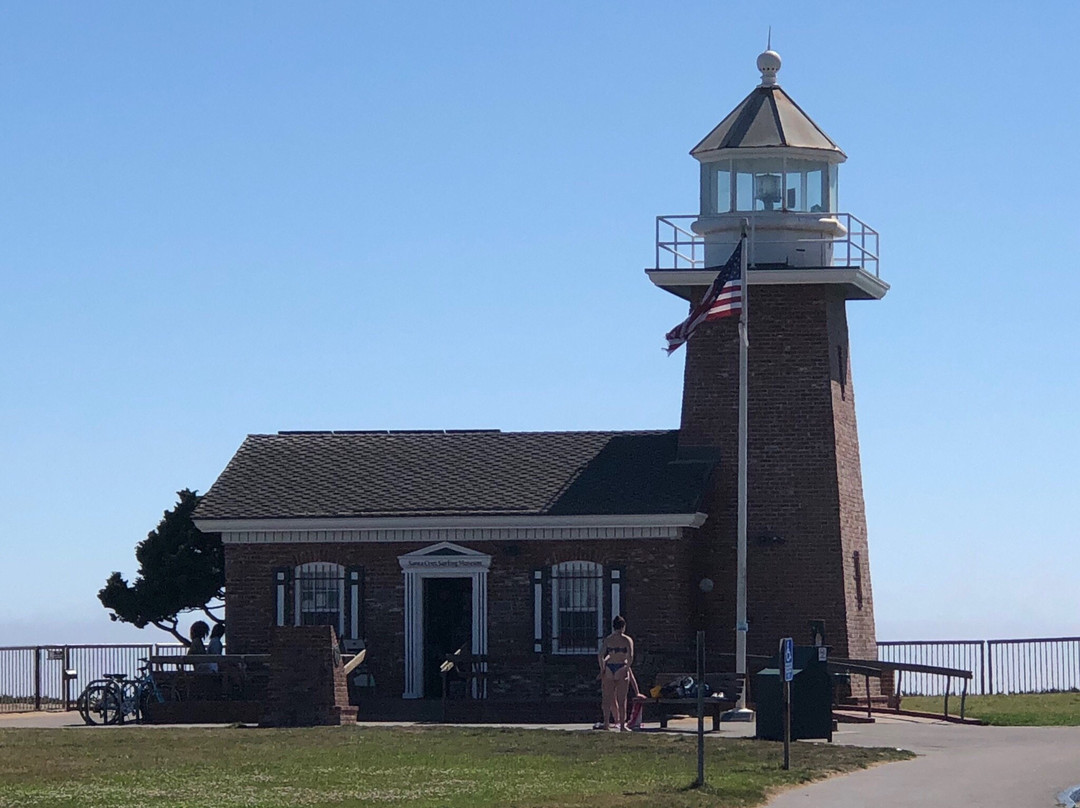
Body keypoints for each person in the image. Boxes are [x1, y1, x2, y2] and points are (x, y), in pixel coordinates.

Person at [597, 615, 634, 731]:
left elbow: (600, 655)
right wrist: (627, 667)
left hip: (609, 668)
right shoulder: (627, 639)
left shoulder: (608, 639)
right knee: (622, 699)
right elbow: (631, 655)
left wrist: (603, 668)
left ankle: (606, 724)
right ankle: (622, 726)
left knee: (607, 698)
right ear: (623, 627)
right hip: (621, 666)